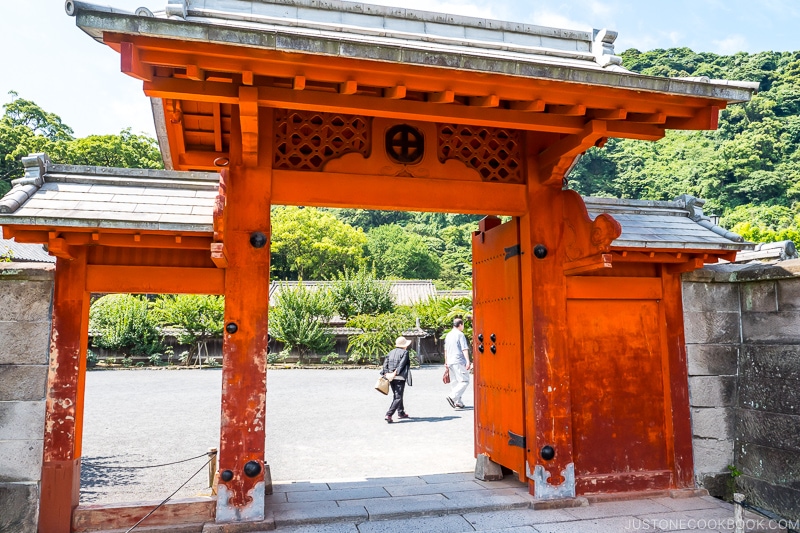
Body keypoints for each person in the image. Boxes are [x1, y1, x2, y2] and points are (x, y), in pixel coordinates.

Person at [381, 336, 413, 423]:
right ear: (404, 345)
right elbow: (401, 365)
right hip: (399, 377)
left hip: (390, 377)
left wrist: (387, 373)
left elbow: (385, 364)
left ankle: (401, 412)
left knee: (397, 395)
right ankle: (389, 414)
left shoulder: (390, 352)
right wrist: (395, 373)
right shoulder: (405, 352)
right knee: (398, 397)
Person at [444, 318, 471, 409]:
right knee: (464, 380)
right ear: (460, 325)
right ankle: (452, 397)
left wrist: (446, 361)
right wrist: (467, 360)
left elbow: (446, 350)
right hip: (458, 360)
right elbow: (464, 348)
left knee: (455, 382)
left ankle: (458, 402)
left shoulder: (448, 335)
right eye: (463, 325)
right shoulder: (460, 334)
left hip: (450, 361)